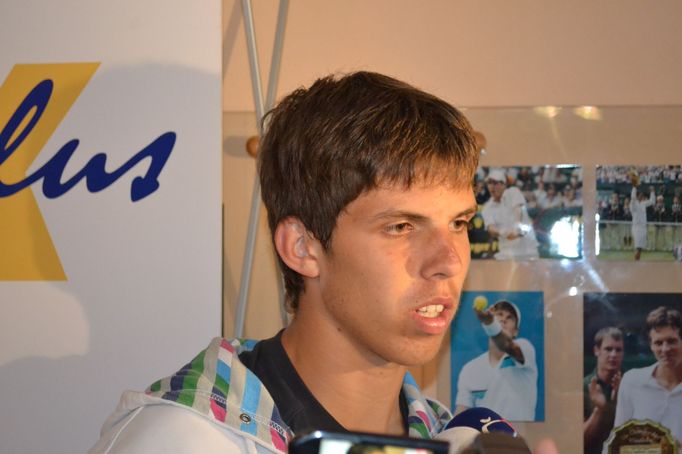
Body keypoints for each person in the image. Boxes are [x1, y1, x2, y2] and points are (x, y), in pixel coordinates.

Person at [90, 72, 481, 453]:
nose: (448, 261)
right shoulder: (181, 441)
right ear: (302, 247)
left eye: (459, 223)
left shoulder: (455, 439)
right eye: (401, 226)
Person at [454, 300, 538, 421]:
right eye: (499, 314)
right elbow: (461, 415)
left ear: (515, 331)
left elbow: (506, 344)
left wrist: (490, 323)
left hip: (519, 438)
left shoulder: (525, 349)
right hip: (483, 438)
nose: (504, 319)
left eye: (510, 318)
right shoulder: (470, 369)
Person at [614, 306, 682, 445]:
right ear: (651, 346)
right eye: (658, 343)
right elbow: (618, 442)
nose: (665, 349)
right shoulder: (631, 381)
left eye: (671, 341)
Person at [481, 169, 539, 260]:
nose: (492, 186)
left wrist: (516, 229)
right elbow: (490, 228)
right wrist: (502, 232)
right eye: (489, 183)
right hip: (506, 253)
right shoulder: (486, 207)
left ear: (504, 185)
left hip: (528, 250)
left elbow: (518, 211)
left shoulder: (513, 192)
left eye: (495, 183)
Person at [583, 327, 624, 454]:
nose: (613, 355)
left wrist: (620, 401)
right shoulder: (583, 386)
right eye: (608, 349)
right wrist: (599, 410)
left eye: (618, 350)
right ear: (596, 350)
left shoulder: (630, 385)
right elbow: (579, 439)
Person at [628, 172, 656, 260]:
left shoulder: (643, 203)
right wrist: (634, 187)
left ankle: (637, 258)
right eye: (640, 195)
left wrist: (652, 191)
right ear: (637, 195)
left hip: (643, 227)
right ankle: (636, 259)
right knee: (638, 246)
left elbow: (652, 201)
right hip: (636, 227)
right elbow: (632, 197)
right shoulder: (633, 204)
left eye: (642, 195)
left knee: (640, 248)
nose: (641, 196)